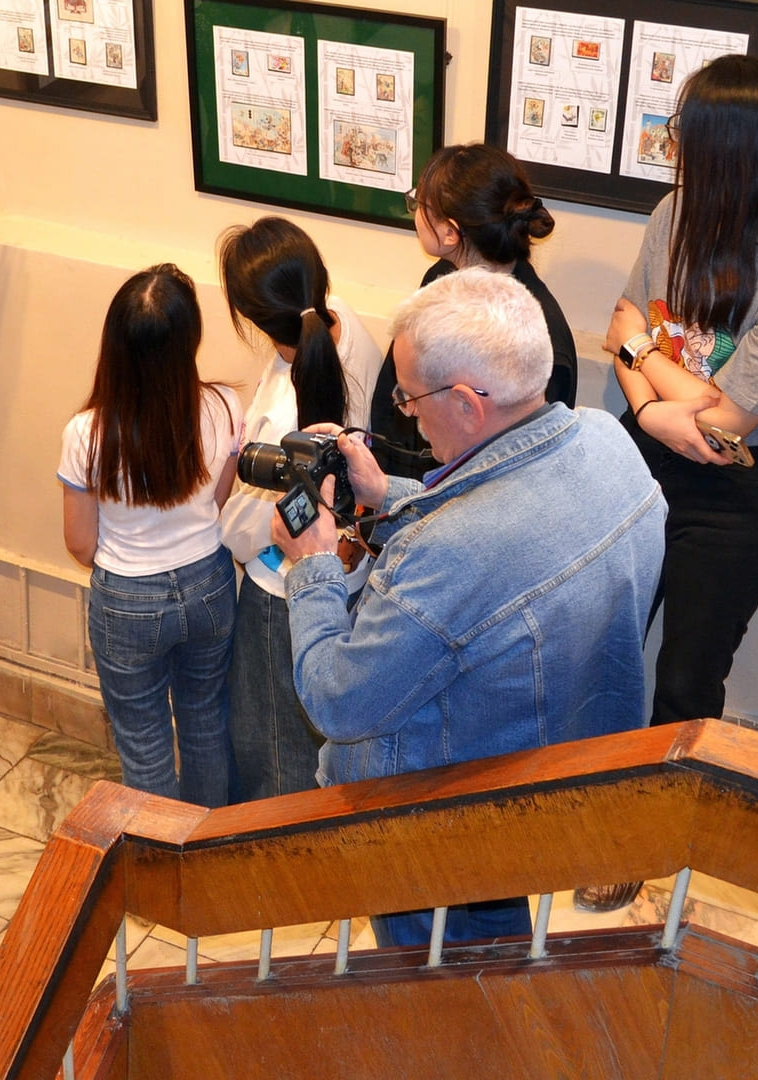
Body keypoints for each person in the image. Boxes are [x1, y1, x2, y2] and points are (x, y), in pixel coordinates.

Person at [271, 268, 667, 947]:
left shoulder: (449, 554)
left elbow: (338, 699)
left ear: (464, 402)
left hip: (431, 832)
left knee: (437, 988)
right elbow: (510, 513)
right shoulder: (608, 442)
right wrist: (388, 493)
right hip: (537, 794)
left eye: (408, 397)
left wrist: (310, 565)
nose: (406, 412)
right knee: (493, 953)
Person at [604, 54, 758, 730]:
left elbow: (726, 420)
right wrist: (651, 411)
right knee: (600, 654)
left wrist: (642, 355)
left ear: (732, 152)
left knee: (686, 681)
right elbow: (621, 320)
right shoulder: (672, 214)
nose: (674, 142)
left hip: (733, 493)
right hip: (639, 462)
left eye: (686, 130)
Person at [59, 264, 240, 810]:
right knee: (206, 723)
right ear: (190, 340)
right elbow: (218, 500)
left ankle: (164, 855)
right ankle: (209, 846)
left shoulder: (86, 433)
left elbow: (79, 544)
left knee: (145, 747)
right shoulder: (226, 405)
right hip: (210, 584)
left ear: (115, 344)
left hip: (126, 599)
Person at [216, 217, 383, 801]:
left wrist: (218, 518)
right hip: (349, 578)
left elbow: (256, 527)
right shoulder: (345, 325)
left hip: (279, 600)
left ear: (253, 319)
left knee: (274, 761)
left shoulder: (286, 416)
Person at [369, 142, 577, 480]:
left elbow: (515, 468)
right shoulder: (440, 279)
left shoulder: (536, 336)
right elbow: (392, 402)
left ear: (450, 232)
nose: (415, 213)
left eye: (419, 204)